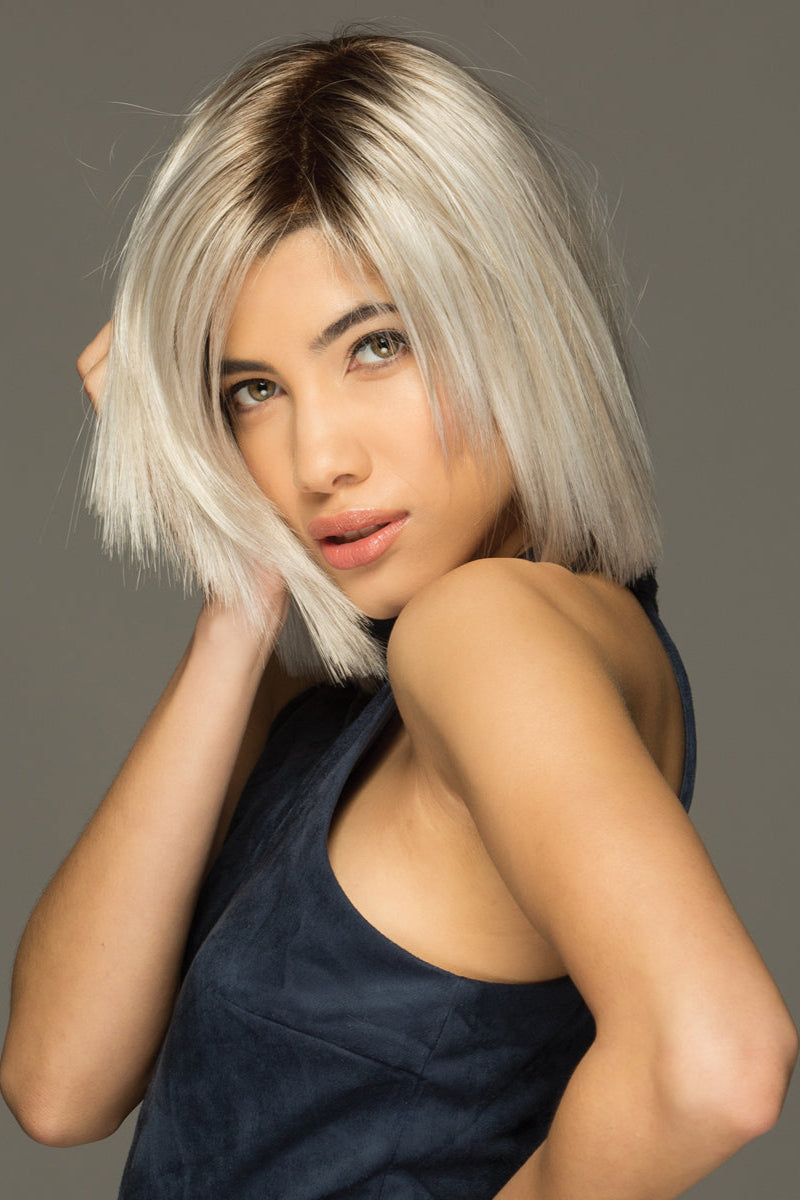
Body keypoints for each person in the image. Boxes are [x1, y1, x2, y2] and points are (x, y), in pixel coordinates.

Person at [1, 30, 796, 1200]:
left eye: (376, 346)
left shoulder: (481, 634)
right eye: (252, 391)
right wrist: (237, 591)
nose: (316, 458)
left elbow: (715, 1066)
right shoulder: (350, 690)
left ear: (512, 316)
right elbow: (57, 1085)